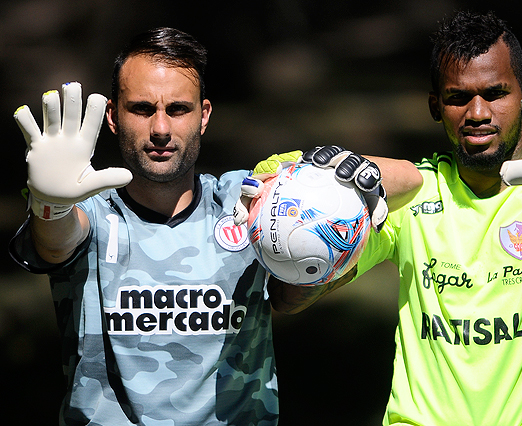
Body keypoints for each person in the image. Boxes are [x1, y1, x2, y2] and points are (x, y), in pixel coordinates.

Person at [9, 27, 419, 425]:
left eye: (178, 109)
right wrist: (50, 205)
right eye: (142, 108)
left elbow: (411, 179)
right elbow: (55, 244)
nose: (161, 129)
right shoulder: (86, 207)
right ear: (113, 117)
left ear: (203, 115)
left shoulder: (248, 201)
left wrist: (325, 169)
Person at [265, 10, 522, 425]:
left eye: (495, 93)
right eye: (458, 97)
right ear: (435, 105)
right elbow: (290, 296)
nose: (477, 112)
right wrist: (309, 212)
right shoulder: (410, 197)